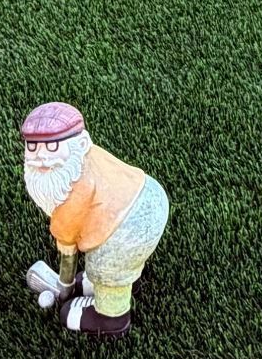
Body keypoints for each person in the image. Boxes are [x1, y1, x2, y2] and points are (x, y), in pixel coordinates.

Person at [20, 101, 170, 339]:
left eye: (52, 147)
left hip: (127, 226)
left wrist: (65, 288)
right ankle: (126, 280)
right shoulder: (87, 156)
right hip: (151, 193)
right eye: (33, 147)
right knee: (114, 262)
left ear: (80, 143)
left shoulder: (71, 195)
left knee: (104, 264)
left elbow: (68, 254)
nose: (41, 159)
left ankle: (111, 317)